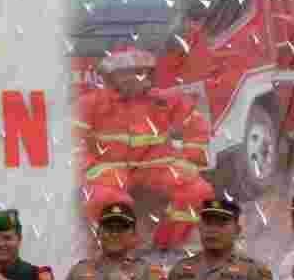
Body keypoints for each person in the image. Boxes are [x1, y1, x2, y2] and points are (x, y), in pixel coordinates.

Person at [75, 46, 214, 251]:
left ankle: (165, 245)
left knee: (197, 191)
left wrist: (187, 160)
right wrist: (95, 171)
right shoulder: (90, 104)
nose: (135, 77)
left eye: (140, 71)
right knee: (105, 200)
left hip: (157, 169)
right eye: (127, 72)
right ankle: (123, 249)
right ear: (111, 76)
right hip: (109, 173)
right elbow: (71, 144)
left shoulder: (164, 100)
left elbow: (197, 128)